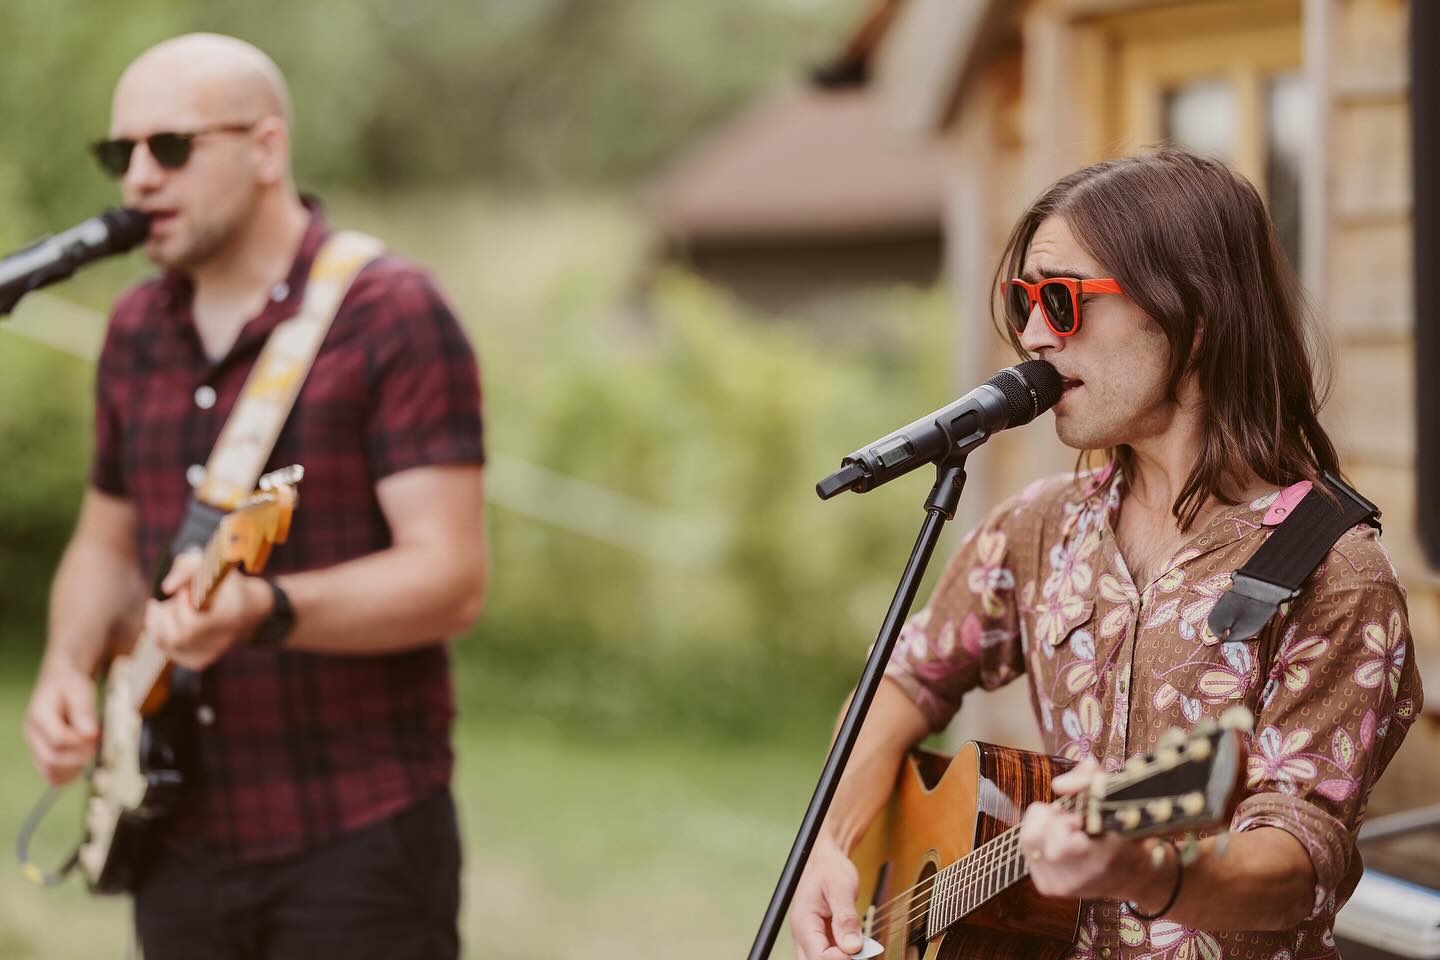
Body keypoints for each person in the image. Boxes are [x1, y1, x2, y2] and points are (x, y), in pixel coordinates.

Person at [790, 149, 1424, 960]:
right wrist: (832, 845)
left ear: (1192, 309)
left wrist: (1146, 870)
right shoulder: (1043, 527)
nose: (1031, 334)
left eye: (1063, 299)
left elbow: (1299, 859)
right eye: (1026, 300)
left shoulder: (1336, 573)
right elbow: (903, 677)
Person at [21, 33, 487, 960]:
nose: (139, 179)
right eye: (121, 155)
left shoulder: (389, 311)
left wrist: (265, 608)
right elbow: (106, 546)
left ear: (267, 148)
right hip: (172, 833)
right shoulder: (132, 330)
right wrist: (67, 666)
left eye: (172, 147)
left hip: (356, 837)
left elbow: (450, 578)